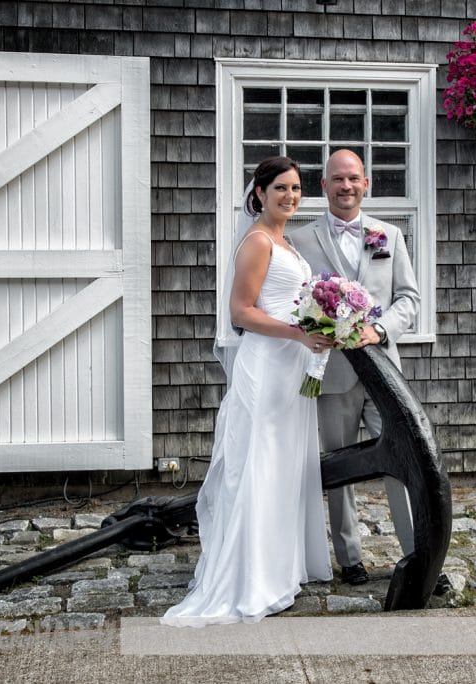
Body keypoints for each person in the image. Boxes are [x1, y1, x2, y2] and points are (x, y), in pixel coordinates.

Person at [162, 157, 333, 626]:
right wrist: (299, 334)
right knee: (258, 465)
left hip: (292, 371)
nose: (290, 196)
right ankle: (249, 577)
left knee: (282, 467)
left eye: (296, 188)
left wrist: (319, 325)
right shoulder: (258, 242)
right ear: (258, 193)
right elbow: (241, 312)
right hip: (266, 366)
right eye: (280, 188)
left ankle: (281, 569)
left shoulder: (289, 245)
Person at [290, 149, 421, 585]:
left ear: (367, 184)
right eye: (337, 179)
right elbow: (295, 302)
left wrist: (379, 330)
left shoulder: (390, 236)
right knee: (341, 466)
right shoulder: (301, 240)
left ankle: (417, 552)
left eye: (353, 179)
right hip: (333, 373)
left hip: (385, 372)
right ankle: (350, 558)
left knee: (403, 462)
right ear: (323, 186)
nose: (346, 186)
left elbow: (409, 300)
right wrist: (312, 325)